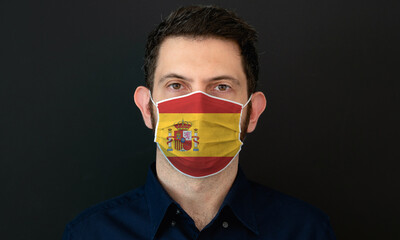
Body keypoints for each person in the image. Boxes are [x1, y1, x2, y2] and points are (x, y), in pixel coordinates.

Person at [62, 5, 336, 240]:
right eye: (177, 85)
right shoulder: (90, 233)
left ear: (253, 112)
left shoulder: (306, 231)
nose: (198, 108)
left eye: (221, 87)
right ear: (146, 107)